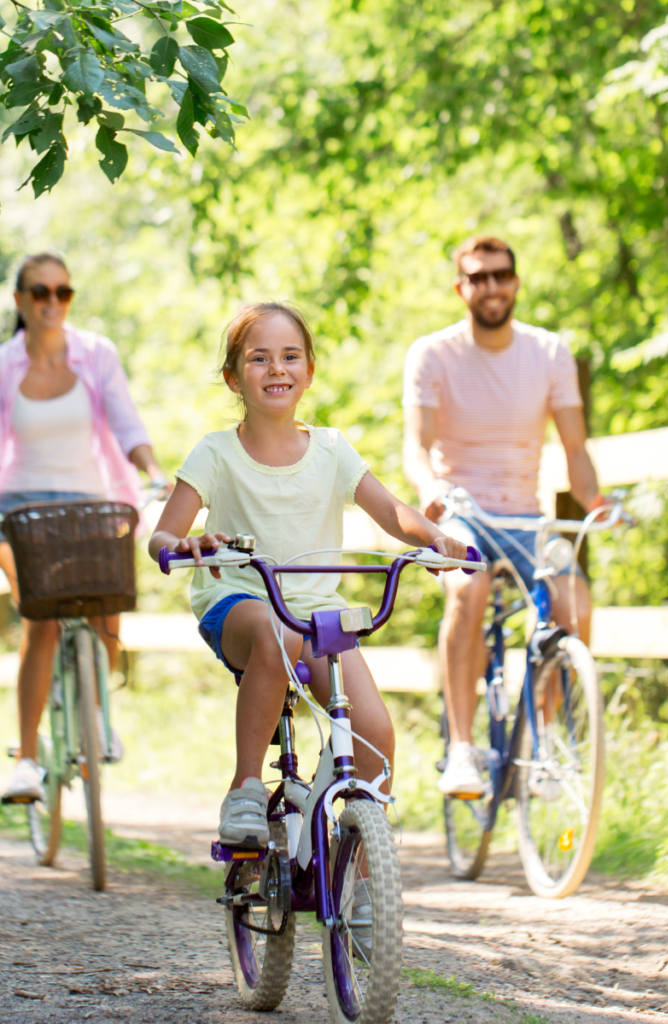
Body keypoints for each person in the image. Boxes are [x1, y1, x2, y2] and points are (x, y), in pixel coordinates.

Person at [149, 301, 468, 848]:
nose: (277, 369)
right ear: (233, 378)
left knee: (374, 734)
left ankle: (361, 878)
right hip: (241, 603)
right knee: (281, 635)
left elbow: (391, 512)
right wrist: (184, 542)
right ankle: (247, 785)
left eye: (290, 356)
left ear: (309, 372)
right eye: (259, 358)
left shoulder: (330, 449)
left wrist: (434, 539)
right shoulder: (217, 452)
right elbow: (161, 537)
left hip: (317, 614)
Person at [402, 235, 604, 797]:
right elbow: (416, 446)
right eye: (479, 276)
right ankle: (461, 750)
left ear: (515, 281)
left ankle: (546, 745)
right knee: (470, 590)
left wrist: (598, 504)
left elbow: (575, 450)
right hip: (464, 512)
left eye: (501, 274)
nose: (491, 285)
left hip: (525, 518)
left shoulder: (549, 353)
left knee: (574, 605)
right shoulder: (433, 354)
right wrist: (432, 487)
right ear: (461, 287)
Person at [0, 252, 168, 802]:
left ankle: (95, 711)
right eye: (41, 292)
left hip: (90, 501)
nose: (53, 302)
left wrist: (153, 471)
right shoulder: (5, 364)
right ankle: (26, 759)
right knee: (41, 621)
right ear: (20, 300)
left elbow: (125, 420)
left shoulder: (96, 354)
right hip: (21, 507)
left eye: (62, 292)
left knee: (108, 604)